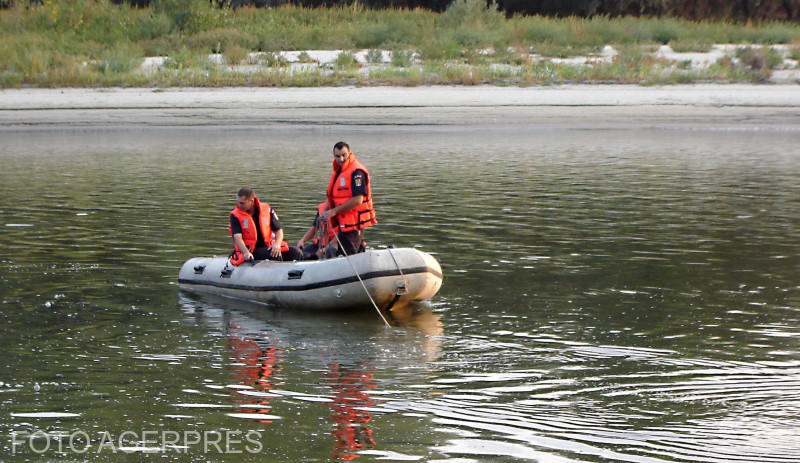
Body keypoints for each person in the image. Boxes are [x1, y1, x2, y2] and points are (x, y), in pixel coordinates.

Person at [319, 141, 377, 256]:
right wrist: (325, 212)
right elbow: (333, 197)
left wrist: (334, 211)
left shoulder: (357, 172)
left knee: (350, 253)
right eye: (337, 156)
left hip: (353, 222)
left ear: (349, 153)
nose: (341, 159)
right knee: (347, 251)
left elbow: (358, 200)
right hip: (344, 222)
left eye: (344, 155)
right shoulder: (339, 171)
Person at [229, 187, 303, 265]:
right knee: (275, 255)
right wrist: (246, 252)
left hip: (269, 246)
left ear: (251, 201)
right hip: (251, 250)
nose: (239, 205)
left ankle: (300, 270)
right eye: (238, 202)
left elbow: (279, 230)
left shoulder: (266, 209)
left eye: (242, 203)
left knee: (296, 252)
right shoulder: (235, 215)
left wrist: (277, 244)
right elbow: (237, 238)